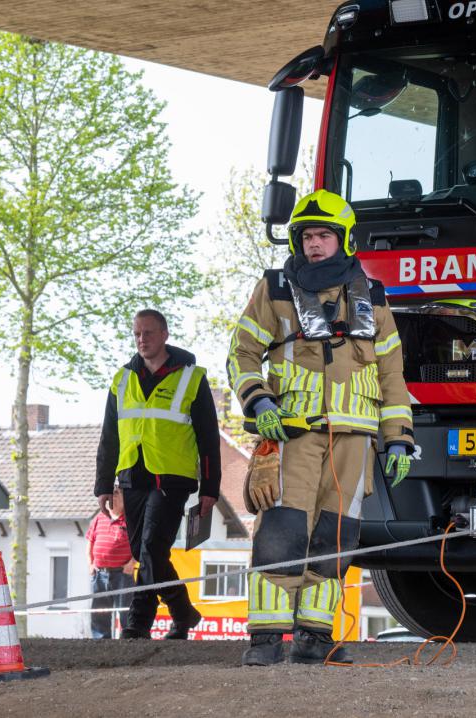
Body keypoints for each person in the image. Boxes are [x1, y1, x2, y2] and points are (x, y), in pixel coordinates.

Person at [228, 190, 414, 666]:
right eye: (307, 236)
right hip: (292, 431)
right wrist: (259, 400)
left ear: (344, 240)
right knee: (282, 531)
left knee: (335, 538)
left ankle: (314, 637)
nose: (313, 244)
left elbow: (392, 374)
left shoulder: (373, 298)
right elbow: (242, 353)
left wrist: (398, 439)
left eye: (323, 236)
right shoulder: (274, 289)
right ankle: (265, 640)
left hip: (355, 440)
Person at [94, 309, 221, 639]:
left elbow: (209, 436)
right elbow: (109, 436)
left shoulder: (191, 378)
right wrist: (103, 484)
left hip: (172, 478)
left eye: (148, 332)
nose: (142, 339)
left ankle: (137, 624)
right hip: (132, 477)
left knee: (151, 548)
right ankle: (183, 612)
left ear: (165, 334)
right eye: (137, 333)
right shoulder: (122, 379)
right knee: (145, 554)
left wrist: (211, 488)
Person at [86, 485, 136, 639]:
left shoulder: (131, 520)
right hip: (99, 574)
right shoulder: (99, 517)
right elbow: (90, 542)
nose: (112, 496)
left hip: (122, 574)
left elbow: (140, 545)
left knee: (126, 612)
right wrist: (90, 564)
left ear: (125, 498)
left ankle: (128, 641)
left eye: (117, 493)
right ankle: (101, 641)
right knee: (99, 612)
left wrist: (132, 563)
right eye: (111, 493)